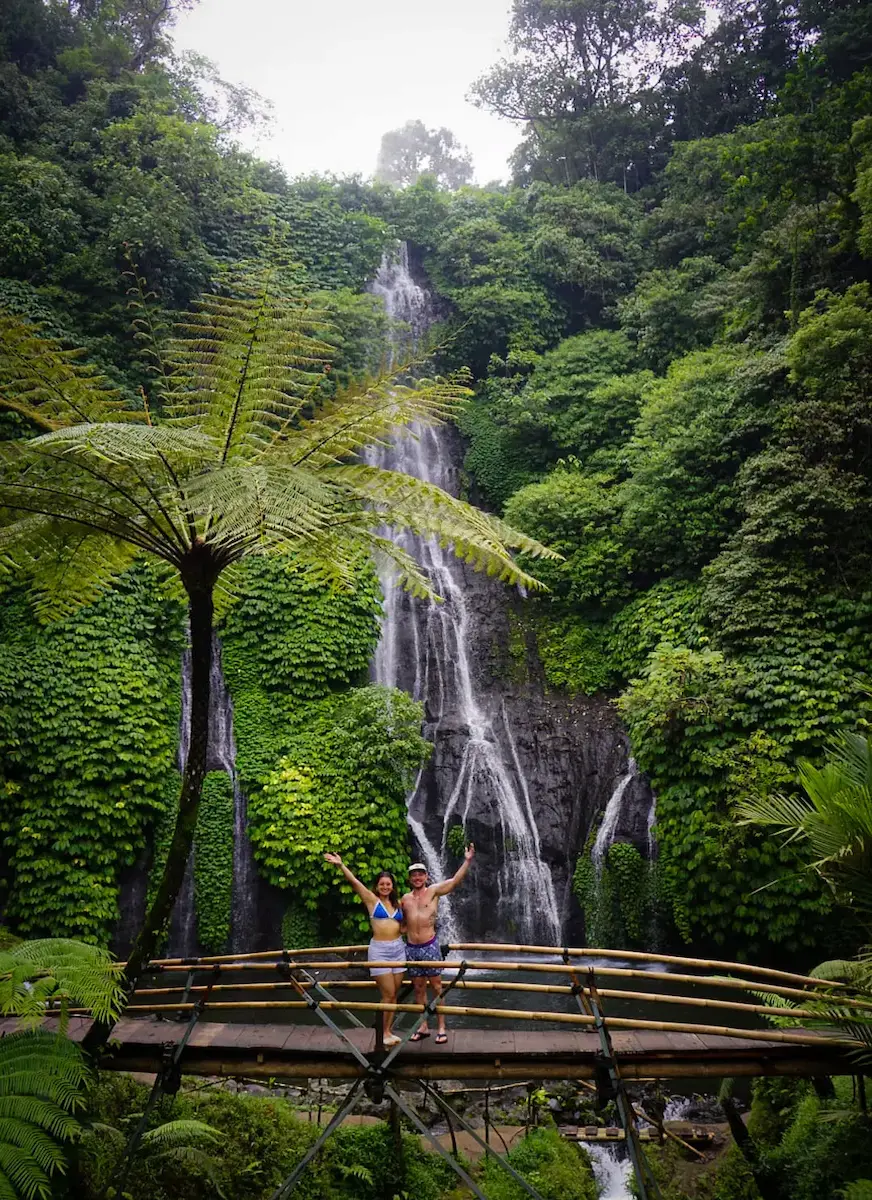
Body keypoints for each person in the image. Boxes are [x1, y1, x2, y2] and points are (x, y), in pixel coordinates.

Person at [324, 853, 405, 1047]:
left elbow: (404, 926)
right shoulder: (371, 900)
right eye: (382, 884)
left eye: (388, 884)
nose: (385, 887)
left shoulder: (398, 903)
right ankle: (382, 1032)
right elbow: (354, 882)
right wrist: (341, 865)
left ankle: (387, 1031)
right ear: (377, 886)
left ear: (392, 886)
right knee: (387, 993)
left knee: (394, 994)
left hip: (399, 949)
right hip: (379, 951)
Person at [401, 844, 475, 1044]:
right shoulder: (405, 899)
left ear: (426, 877)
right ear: (410, 879)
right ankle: (423, 1025)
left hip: (430, 946)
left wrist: (467, 861)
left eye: (420, 875)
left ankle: (441, 1027)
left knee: (437, 987)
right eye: (414, 875)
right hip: (412, 948)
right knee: (418, 989)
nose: (417, 878)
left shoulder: (434, 891)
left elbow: (454, 881)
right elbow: (400, 924)